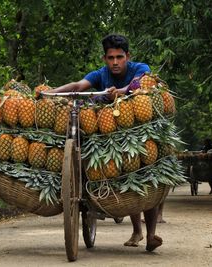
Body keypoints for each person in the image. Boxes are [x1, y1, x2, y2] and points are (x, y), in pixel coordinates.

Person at [50, 34, 162, 252]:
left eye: (120, 57)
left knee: (144, 172)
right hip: (105, 133)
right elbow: (78, 84)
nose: (115, 62)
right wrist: (51, 92)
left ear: (128, 56)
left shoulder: (140, 68)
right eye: (111, 58)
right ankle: (136, 230)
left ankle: (149, 234)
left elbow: (138, 84)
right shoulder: (100, 74)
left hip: (136, 131)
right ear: (104, 58)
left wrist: (119, 92)